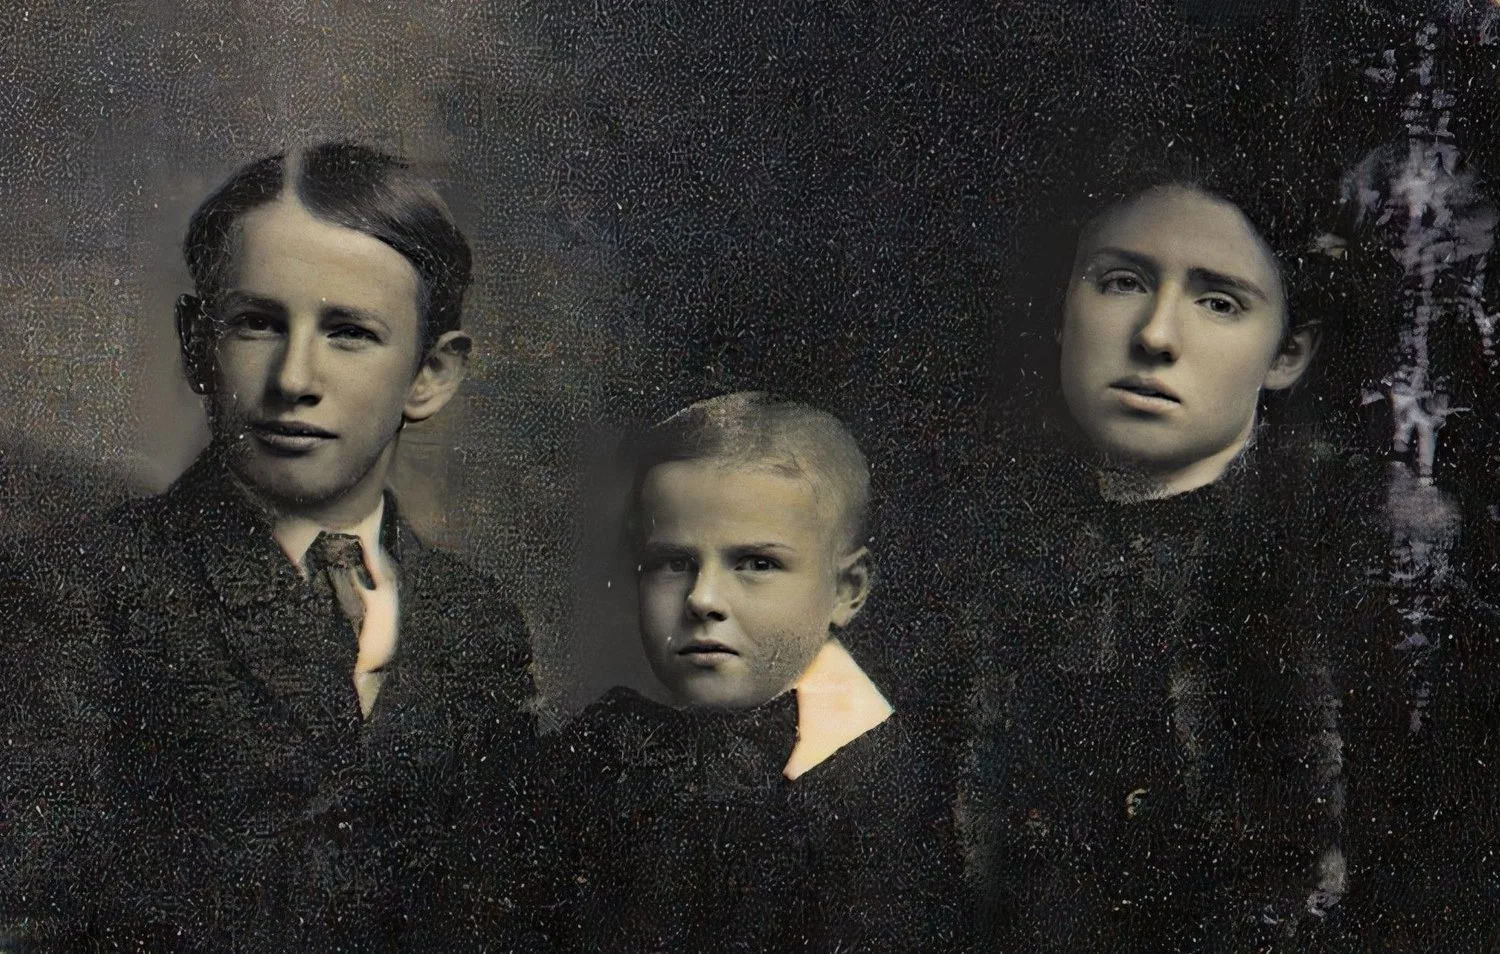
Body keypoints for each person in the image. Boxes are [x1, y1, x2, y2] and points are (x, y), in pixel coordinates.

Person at [7, 142, 534, 952]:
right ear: (194, 341)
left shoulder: (475, 623)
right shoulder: (81, 591)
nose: (295, 378)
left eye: (350, 333)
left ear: (430, 374)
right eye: (256, 323)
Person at [954, 156, 1367, 951]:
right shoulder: (968, 553)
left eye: (1218, 301)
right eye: (1120, 283)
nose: (1154, 336)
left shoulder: (1349, 571)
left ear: (1288, 354)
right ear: (1061, 311)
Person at [445, 392, 965, 952]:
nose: (703, 598)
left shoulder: (887, 797)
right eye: (673, 563)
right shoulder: (601, 754)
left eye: (757, 564)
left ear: (847, 591)